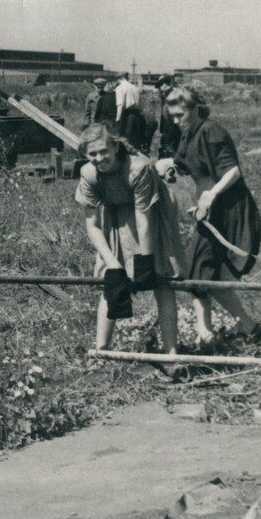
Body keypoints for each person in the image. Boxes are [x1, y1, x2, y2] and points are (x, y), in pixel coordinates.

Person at [163, 86, 261, 345]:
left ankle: (207, 335)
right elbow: (184, 163)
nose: (176, 121)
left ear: (195, 110)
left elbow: (232, 171)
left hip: (228, 209)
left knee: (197, 271)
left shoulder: (211, 131)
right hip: (208, 212)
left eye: (180, 115)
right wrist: (172, 170)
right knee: (208, 275)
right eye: (172, 116)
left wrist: (211, 195)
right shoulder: (189, 134)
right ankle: (250, 330)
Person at [75, 123, 186, 353]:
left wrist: (145, 260)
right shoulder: (88, 174)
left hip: (153, 214)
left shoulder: (138, 167)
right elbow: (92, 225)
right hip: (115, 216)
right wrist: (112, 262)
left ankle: (171, 352)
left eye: (103, 151)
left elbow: (143, 217)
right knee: (112, 280)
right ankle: (102, 350)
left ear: (115, 146)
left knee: (162, 280)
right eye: (92, 153)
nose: (99, 158)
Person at [113, 72, 149, 151]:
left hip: (126, 115)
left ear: (119, 79)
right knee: (135, 140)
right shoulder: (135, 88)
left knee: (125, 140)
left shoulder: (120, 88)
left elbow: (120, 104)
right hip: (136, 115)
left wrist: (117, 120)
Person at [155, 74, 181, 158]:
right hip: (169, 127)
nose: (159, 89)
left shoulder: (173, 95)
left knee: (168, 151)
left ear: (165, 85)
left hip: (173, 127)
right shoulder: (167, 94)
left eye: (160, 86)